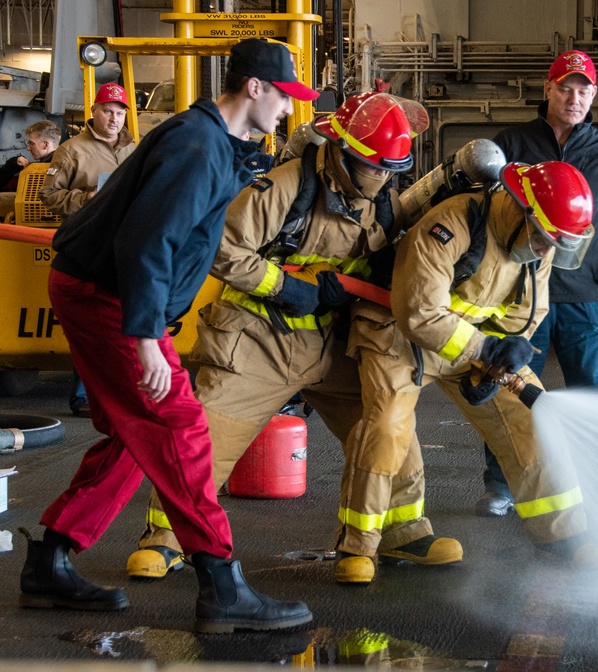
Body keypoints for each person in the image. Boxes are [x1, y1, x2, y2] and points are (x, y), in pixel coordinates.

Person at [19, 38, 320, 634]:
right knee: (177, 424)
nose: (289, 109)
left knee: (138, 432)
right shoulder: (196, 145)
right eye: (284, 96)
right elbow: (145, 242)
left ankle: (50, 559)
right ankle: (220, 582)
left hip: (103, 289)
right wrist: (148, 336)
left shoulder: (214, 141)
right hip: (105, 296)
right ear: (254, 88)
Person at [125, 93, 446, 582]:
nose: (380, 178)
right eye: (371, 167)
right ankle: (166, 538)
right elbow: (224, 247)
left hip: (332, 344)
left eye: (390, 171)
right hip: (260, 340)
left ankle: (403, 532)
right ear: (342, 150)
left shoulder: (382, 202)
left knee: (389, 428)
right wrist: (286, 288)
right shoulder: (287, 185)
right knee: (205, 438)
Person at [333, 159, 598, 585]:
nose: (546, 249)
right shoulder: (453, 223)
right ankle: (364, 544)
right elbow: (419, 313)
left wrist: (512, 351)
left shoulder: (540, 244)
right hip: (395, 333)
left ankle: (562, 533)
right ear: (520, 210)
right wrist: (485, 349)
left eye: (557, 242)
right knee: (388, 428)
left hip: (471, 346)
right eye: (543, 238)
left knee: (531, 417)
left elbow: (528, 311)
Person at [476, 50, 598, 517]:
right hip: (516, 295)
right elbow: (483, 216)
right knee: (507, 391)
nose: (574, 98)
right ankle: (503, 486)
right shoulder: (510, 143)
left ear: (594, 96)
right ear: (547, 89)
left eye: (583, 90)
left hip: (580, 297)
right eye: (565, 88)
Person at [40, 82, 138, 418]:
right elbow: (49, 195)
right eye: (108, 111)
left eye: (120, 112)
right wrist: (86, 201)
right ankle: (82, 395)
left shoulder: (132, 149)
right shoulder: (72, 150)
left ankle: (121, 390)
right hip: (88, 247)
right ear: (94, 112)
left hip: (123, 244)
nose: (114, 118)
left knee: (120, 320)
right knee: (90, 322)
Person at [0, 119, 62, 220]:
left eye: (31, 143)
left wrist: (12, 165)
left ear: (45, 144)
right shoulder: (59, 161)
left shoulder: (45, 168)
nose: (28, 148)